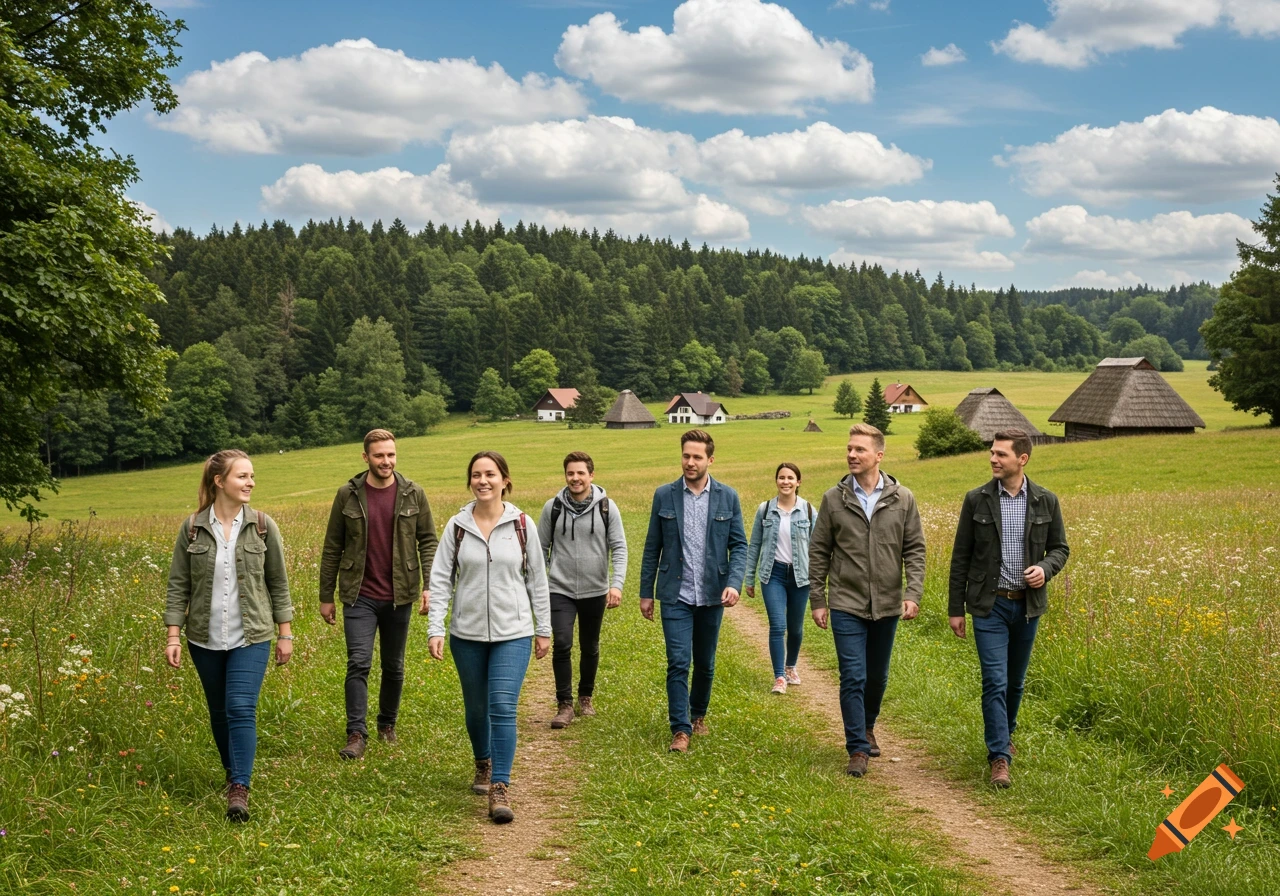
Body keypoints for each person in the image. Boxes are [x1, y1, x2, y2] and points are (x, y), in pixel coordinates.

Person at [164, 449, 292, 822]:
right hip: (202, 637)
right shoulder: (192, 528)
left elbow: (278, 583)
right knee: (219, 711)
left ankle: (239, 786)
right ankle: (231, 768)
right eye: (242, 477)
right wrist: (173, 635)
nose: (250, 483)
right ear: (219, 482)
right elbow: (178, 586)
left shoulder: (263, 526)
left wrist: (286, 634)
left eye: (252, 477)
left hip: (252, 635)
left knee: (239, 706)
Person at [428, 451, 551, 824]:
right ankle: (482, 761)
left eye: (490, 474)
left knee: (501, 705)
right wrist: (436, 626)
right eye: (477, 475)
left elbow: (537, 581)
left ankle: (500, 786)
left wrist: (543, 628)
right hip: (466, 633)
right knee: (476, 707)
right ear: (470, 482)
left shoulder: (522, 524)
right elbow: (440, 579)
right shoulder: (457, 526)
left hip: (513, 632)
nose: (483, 481)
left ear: (505, 480)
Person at [947, 428, 1069, 789]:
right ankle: (999, 756)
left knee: (1015, 683)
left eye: (1001, 454)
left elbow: (1060, 549)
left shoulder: (1046, 500)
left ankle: (1006, 735)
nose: (993, 459)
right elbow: (961, 557)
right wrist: (956, 608)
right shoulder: (977, 499)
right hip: (989, 606)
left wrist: (1044, 570)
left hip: (1028, 607)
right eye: (992, 453)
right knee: (995, 682)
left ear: (1022, 459)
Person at [808, 424, 925, 778]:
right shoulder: (833, 499)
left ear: (879, 455)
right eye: (849, 449)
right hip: (846, 602)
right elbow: (819, 552)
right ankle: (857, 747)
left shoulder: (902, 498)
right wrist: (818, 598)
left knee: (877, 677)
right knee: (853, 676)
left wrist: (912, 592)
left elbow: (914, 550)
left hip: (888, 602)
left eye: (859, 449)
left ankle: (868, 725)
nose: (852, 455)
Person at [319, 429, 437, 760]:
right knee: (359, 661)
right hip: (359, 594)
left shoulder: (413, 493)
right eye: (379, 455)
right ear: (366, 457)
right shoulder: (348, 495)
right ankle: (356, 733)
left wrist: (430, 585)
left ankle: (387, 724)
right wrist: (325, 595)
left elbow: (428, 540)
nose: (386, 461)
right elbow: (333, 547)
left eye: (391, 455)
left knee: (394, 665)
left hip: (400, 593)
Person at [639, 429, 748, 754]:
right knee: (677, 661)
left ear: (710, 460)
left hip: (712, 594)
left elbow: (739, 545)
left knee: (705, 663)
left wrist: (734, 581)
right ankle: (681, 729)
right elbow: (651, 547)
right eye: (686, 455)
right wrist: (647, 592)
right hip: (675, 594)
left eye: (697, 457)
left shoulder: (728, 497)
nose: (690, 462)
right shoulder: (665, 495)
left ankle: (698, 714)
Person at [538, 451, 628, 729]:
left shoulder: (607, 508)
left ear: (591, 475)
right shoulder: (551, 507)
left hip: (595, 590)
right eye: (570, 473)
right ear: (565, 476)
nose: (575, 478)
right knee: (562, 643)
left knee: (590, 646)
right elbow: (540, 548)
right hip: (560, 589)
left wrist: (616, 584)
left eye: (580, 473)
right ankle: (564, 704)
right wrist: (542, 583)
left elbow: (620, 547)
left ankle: (585, 697)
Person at [744, 463, 814, 694]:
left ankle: (791, 666)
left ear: (798, 482)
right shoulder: (765, 510)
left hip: (800, 576)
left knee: (795, 628)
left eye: (790, 478)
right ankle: (779, 677)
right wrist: (749, 578)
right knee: (778, 625)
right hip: (772, 574)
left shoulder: (810, 511)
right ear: (776, 481)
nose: (785, 482)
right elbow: (754, 544)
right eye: (781, 478)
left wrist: (821, 581)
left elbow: (819, 548)